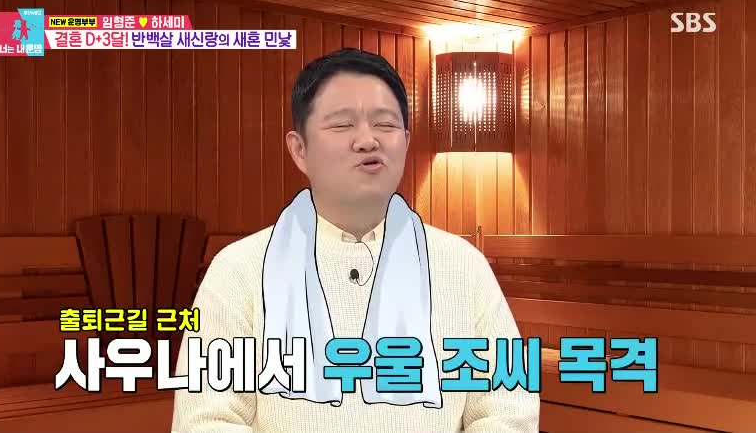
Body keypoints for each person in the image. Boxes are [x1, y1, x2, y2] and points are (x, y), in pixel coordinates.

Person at [171, 47, 539, 432]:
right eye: (342, 125)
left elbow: (508, 407)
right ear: (299, 150)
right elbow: (207, 420)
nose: (367, 140)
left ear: (405, 141)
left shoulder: (463, 266)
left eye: (385, 124)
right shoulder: (238, 271)